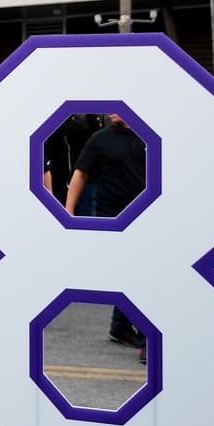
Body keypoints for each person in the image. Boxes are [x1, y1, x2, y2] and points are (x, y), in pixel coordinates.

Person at [65, 114, 148, 350]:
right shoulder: (100, 138)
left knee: (136, 273)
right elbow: (81, 173)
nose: (111, 110)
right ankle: (144, 336)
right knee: (131, 273)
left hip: (147, 215)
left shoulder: (149, 135)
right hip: (112, 217)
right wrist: (68, 210)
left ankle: (121, 326)